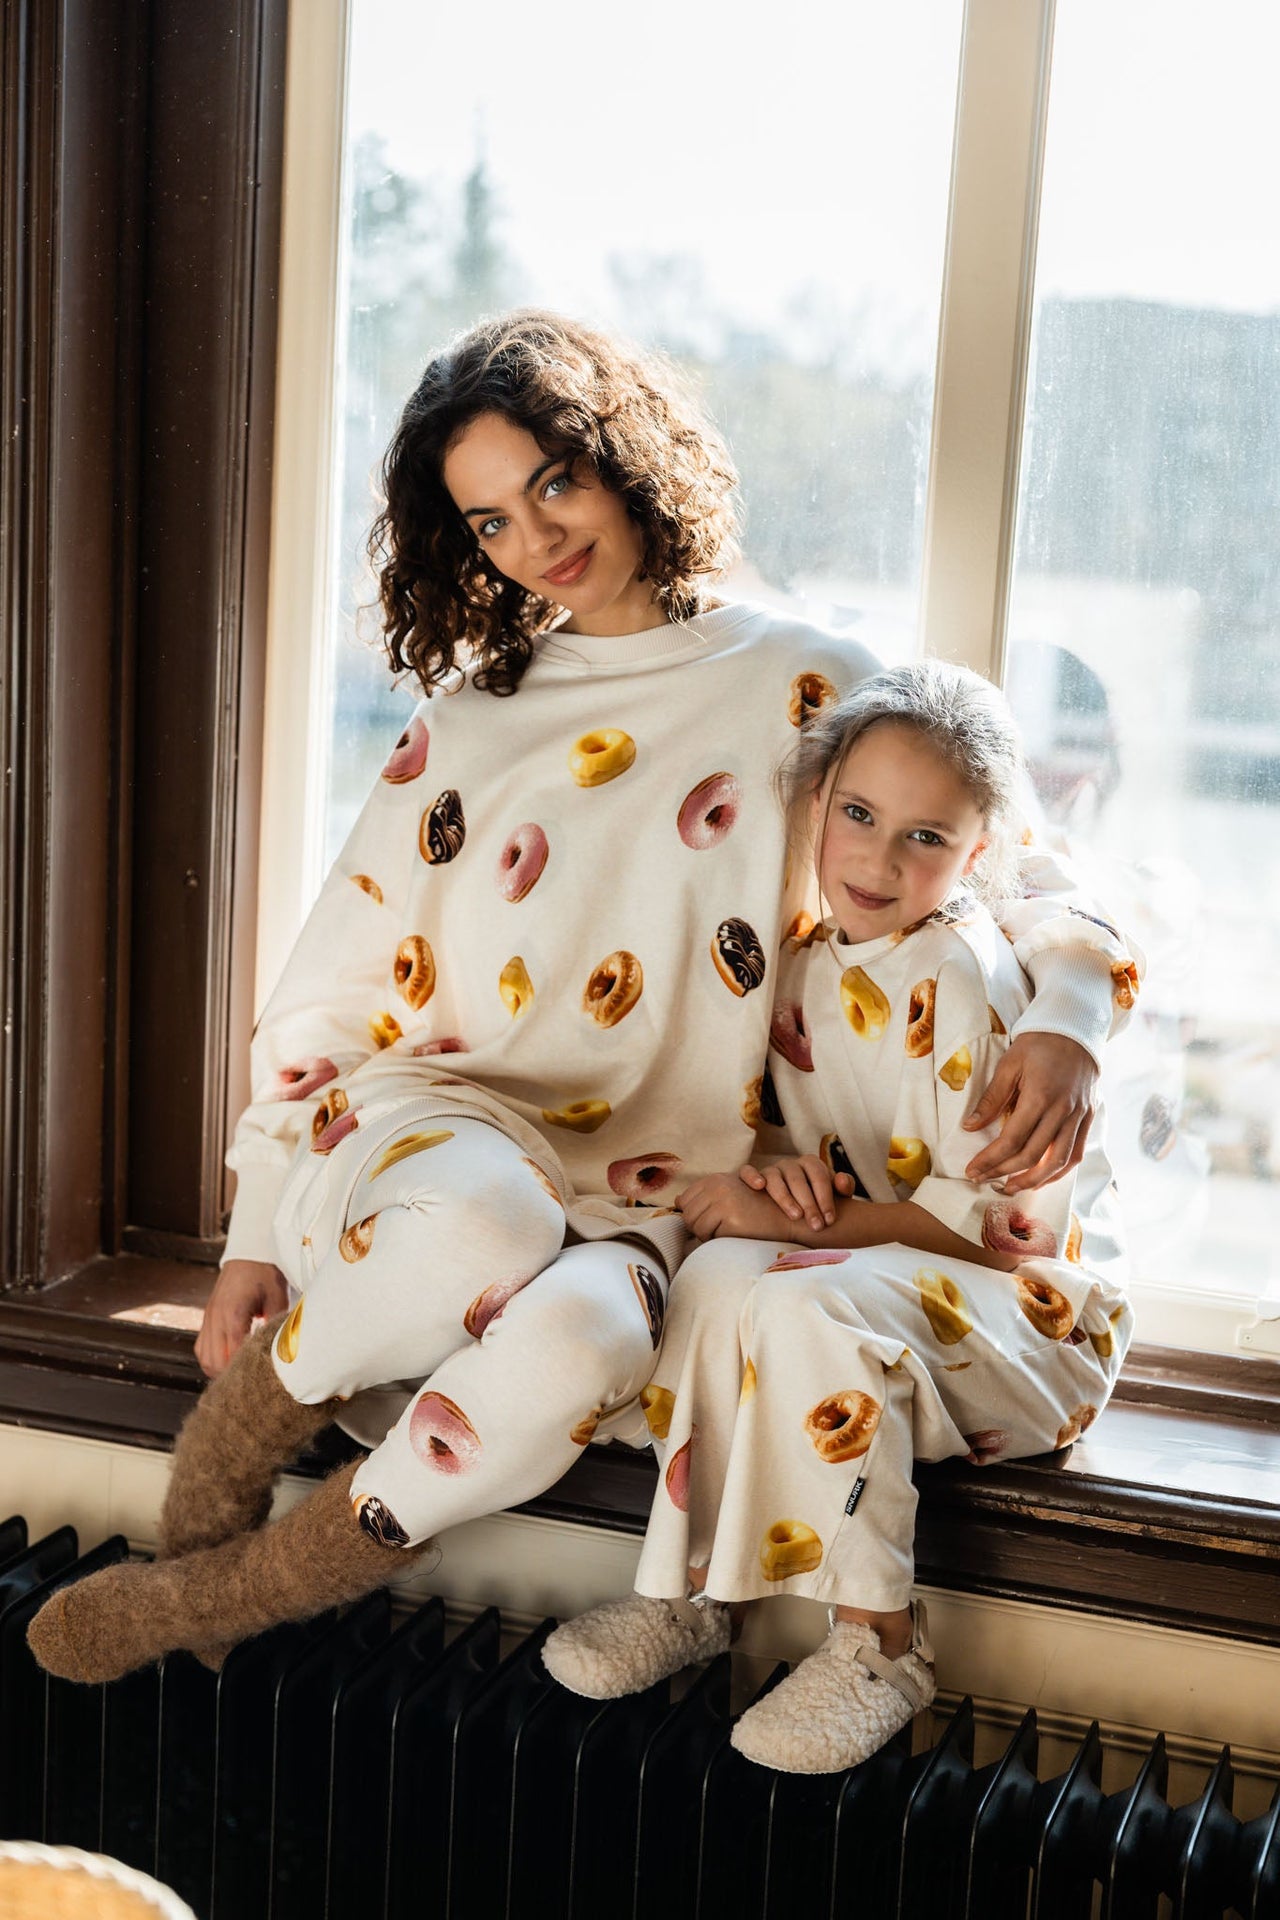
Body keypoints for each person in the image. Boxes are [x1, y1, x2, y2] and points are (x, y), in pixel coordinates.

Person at [28, 314, 1129, 1683]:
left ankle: (210, 1599)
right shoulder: (472, 719)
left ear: (627, 461)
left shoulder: (816, 686)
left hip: (655, 1197)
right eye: (488, 521)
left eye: (554, 481)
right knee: (483, 1225)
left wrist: (1068, 1014)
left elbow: (1022, 871)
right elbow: (335, 989)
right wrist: (257, 1225)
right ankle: (219, 1469)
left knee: (586, 1344)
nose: (536, 538)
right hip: (440, 1130)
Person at [542, 660, 1134, 1775]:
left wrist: (830, 1218)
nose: (874, 858)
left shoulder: (962, 976)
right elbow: (808, 1181)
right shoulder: (800, 968)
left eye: (923, 837)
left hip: (1031, 1323)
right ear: (815, 802)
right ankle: (692, 1594)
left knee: (804, 1305)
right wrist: (775, 1195)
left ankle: (879, 1643)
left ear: (975, 854)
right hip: (881, 1280)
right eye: (857, 815)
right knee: (715, 1283)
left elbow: (990, 1237)